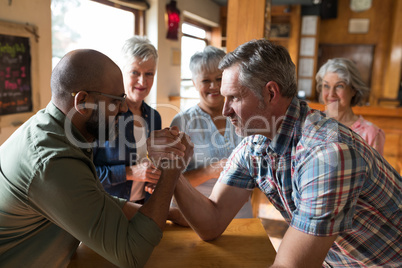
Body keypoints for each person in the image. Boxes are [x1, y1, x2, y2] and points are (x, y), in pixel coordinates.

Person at [148, 39, 402, 267]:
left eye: (234, 98)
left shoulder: (327, 154)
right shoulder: (255, 144)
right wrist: (173, 170)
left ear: (271, 93)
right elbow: (211, 222)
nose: (225, 110)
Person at [0, 49, 193, 267]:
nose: (123, 108)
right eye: (116, 100)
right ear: (82, 102)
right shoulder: (53, 161)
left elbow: (97, 201)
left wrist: (170, 213)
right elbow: (132, 255)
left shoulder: (59, 131)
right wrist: (172, 169)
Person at [170, 46, 253, 218]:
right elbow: (170, 181)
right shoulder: (182, 122)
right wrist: (209, 171)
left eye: (219, 78)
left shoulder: (245, 115)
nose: (214, 86)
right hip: (194, 216)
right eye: (206, 80)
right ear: (194, 83)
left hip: (239, 214)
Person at [93, 36, 161, 204]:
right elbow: (85, 174)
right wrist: (130, 172)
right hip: (110, 208)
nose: (142, 81)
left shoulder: (154, 117)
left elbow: (152, 164)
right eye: (135, 72)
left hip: (145, 206)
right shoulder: (103, 116)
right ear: (121, 72)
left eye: (149, 74)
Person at [316, 58, 386, 155]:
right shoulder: (311, 123)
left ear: (353, 90)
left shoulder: (371, 133)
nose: (331, 94)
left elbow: (376, 170)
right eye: (326, 86)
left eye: (339, 86)